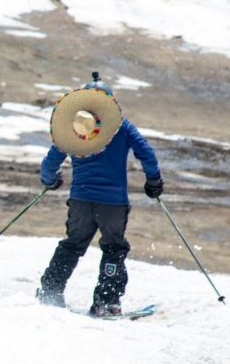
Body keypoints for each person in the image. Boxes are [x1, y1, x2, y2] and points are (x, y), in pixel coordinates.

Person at [36, 72, 163, 318]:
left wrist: (49, 180)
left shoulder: (76, 127)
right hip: (113, 204)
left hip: (81, 200)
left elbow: (52, 159)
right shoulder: (122, 127)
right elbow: (146, 153)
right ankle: (106, 303)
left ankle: (50, 291)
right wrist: (154, 181)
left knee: (72, 245)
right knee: (114, 248)